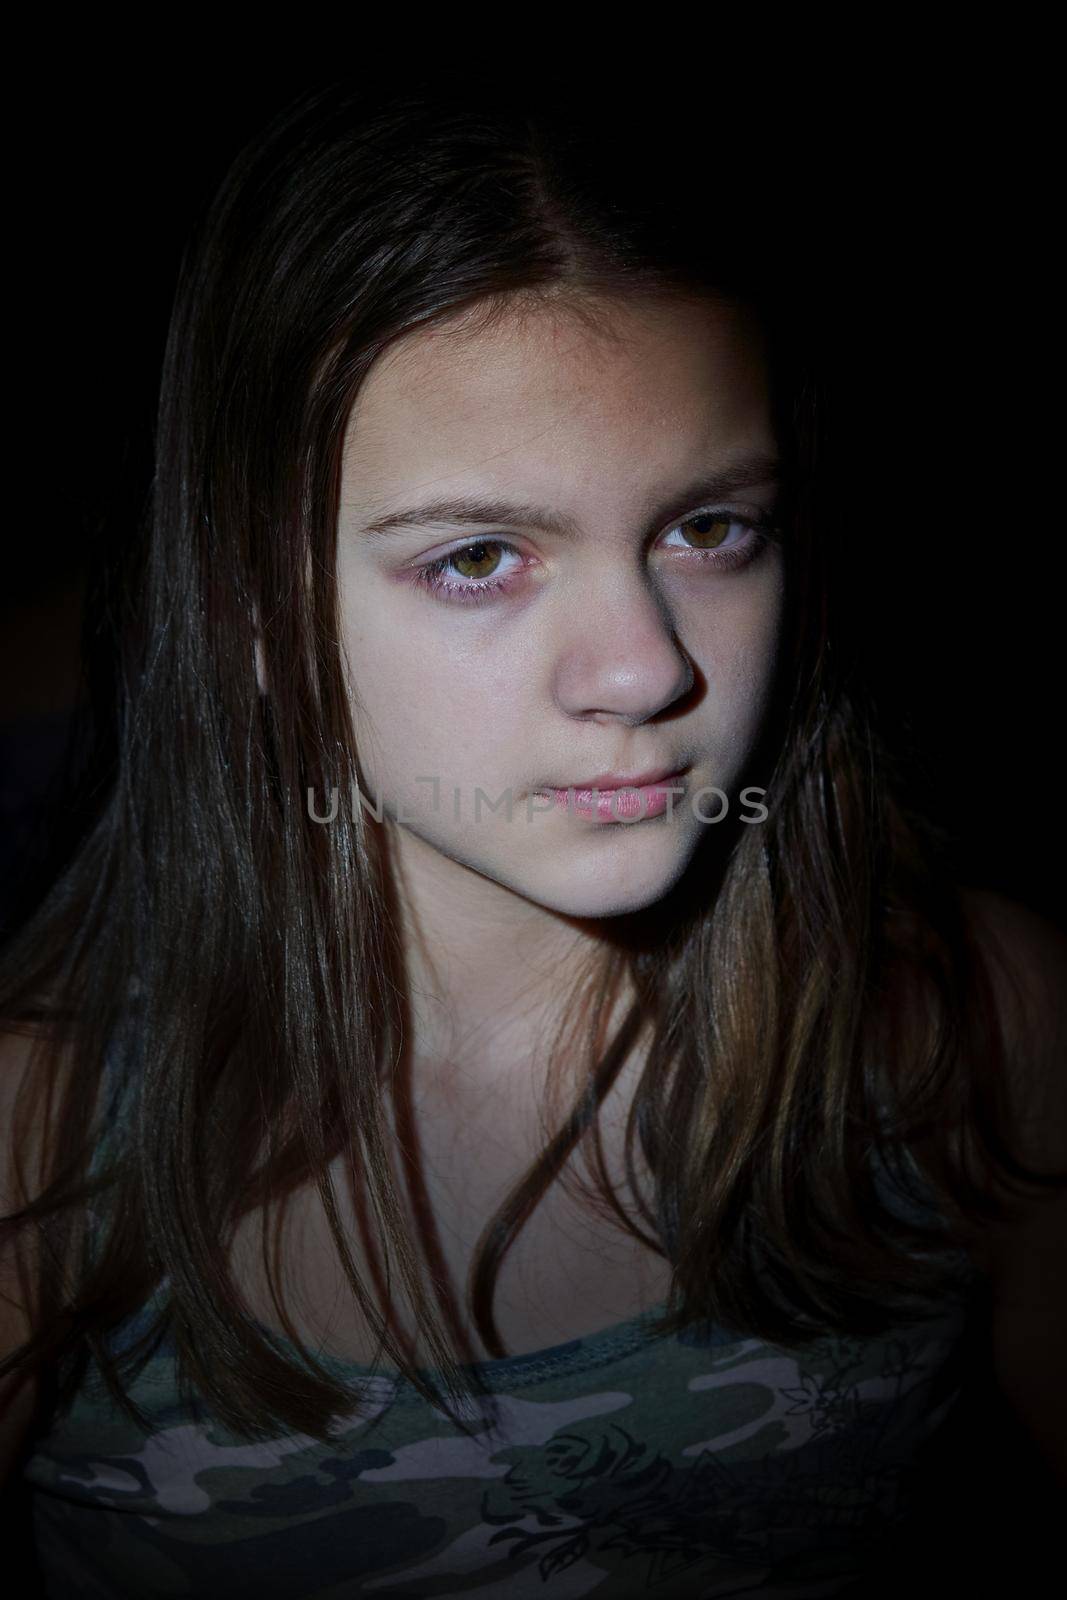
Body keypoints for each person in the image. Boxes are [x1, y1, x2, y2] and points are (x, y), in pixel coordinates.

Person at [1, 75, 1065, 1599]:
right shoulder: (39, 1144)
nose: (645, 670)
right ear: (245, 603)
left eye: (710, 530)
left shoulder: (964, 1022)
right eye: (481, 557)